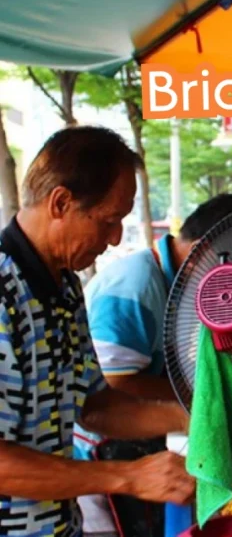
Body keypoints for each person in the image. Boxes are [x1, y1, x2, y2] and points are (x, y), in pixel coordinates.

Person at [0, 126, 195, 537]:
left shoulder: (65, 285)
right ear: (61, 202)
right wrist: (127, 477)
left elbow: (96, 406)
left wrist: (195, 419)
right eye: (108, 221)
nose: (116, 238)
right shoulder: (4, 294)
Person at [73, 191, 232, 537]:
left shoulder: (177, 285)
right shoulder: (137, 284)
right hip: (102, 455)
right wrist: (198, 404)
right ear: (212, 249)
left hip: (141, 443)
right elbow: (115, 381)